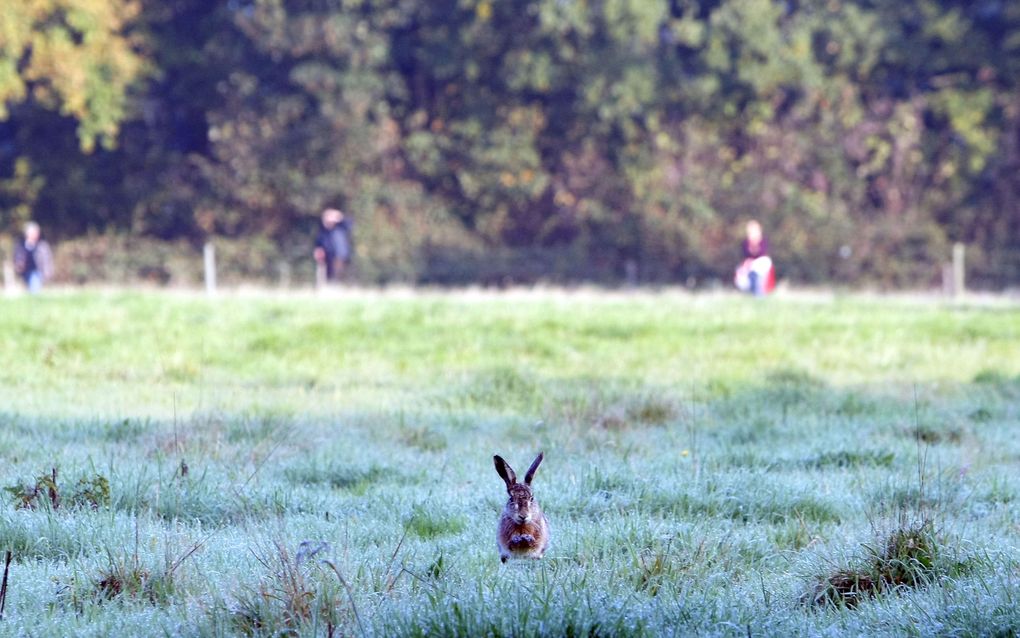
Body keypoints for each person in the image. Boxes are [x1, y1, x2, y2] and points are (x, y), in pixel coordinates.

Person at [734, 219, 774, 296]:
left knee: (762, 264)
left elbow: (762, 253)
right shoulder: (745, 243)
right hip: (749, 264)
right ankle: (751, 290)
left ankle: (758, 290)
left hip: (760, 264)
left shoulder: (763, 241)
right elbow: (745, 255)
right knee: (741, 273)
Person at [313, 207, 353, 282]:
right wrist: (318, 251)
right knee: (327, 274)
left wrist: (339, 216)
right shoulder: (323, 231)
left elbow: (350, 223)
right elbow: (318, 242)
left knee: (338, 273)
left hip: (340, 255)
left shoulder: (340, 227)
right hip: (328, 256)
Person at [13, 221, 54, 293]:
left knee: (34, 288)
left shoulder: (42, 245)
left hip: (37, 271)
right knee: (28, 289)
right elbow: (17, 257)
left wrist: (48, 272)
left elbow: (47, 260)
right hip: (25, 271)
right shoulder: (21, 245)